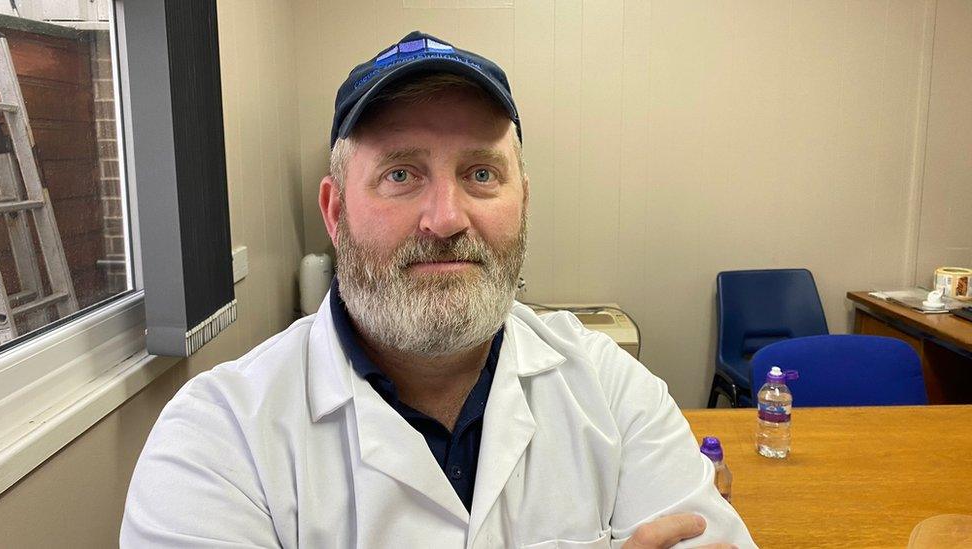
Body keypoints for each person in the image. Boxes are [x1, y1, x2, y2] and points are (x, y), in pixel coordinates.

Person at [120, 31, 755, 548]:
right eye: (401, 174)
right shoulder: (218, 441)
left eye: (481, 173)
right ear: (335, 210)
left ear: (523, 203)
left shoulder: (612, 392)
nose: (446, 218)